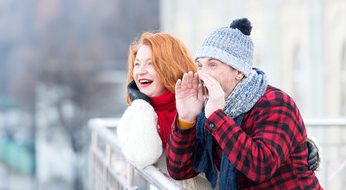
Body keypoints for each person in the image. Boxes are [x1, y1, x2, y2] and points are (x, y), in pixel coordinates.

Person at [166, 18, 323, 189]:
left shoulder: (275, 103)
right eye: (200, 65)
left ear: (239, 72)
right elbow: (179, 170)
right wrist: (186, 119)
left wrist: (217, 119)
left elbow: (260, 167)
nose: (202, 74)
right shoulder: (209, 108)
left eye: (212, 65)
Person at [117, 32, 212, 189]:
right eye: (137, 64)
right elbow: (143, 156)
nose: (140, 71)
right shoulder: (135, 115)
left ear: (171, 66)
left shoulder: (201, 103)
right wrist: (141, 104)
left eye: (150, 63)